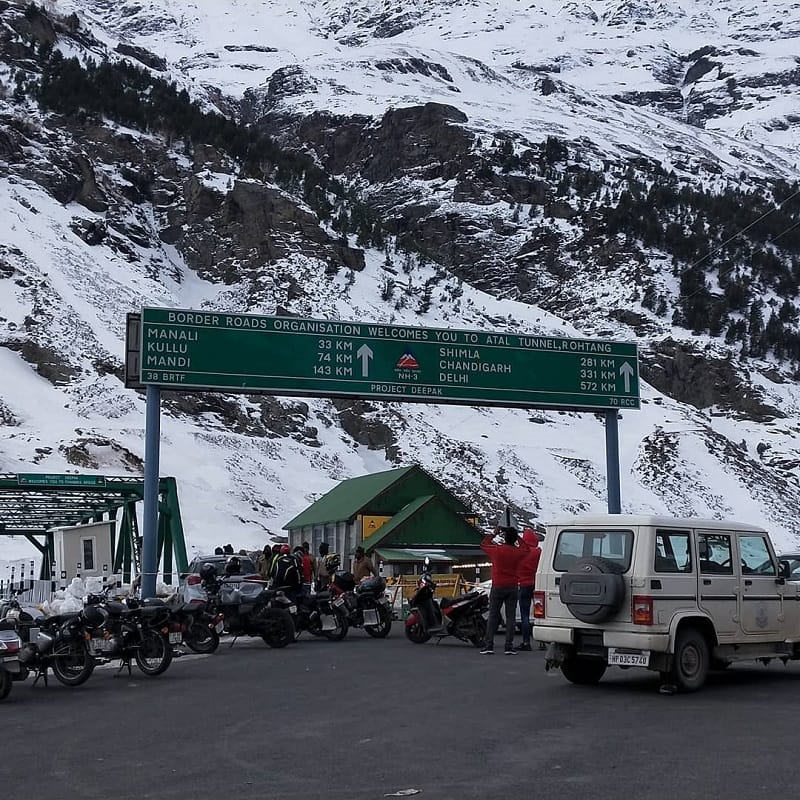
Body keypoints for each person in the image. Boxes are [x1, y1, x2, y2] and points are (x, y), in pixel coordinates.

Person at [480, 508, 531, 655]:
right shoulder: (518, 552)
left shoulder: (497, 550)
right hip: (513, 587)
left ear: (503, 538)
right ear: (513, 539)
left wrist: (495, 532)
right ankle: (509, 646)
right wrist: (517, 536)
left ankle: (489, 645)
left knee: (493, 616)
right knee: (510, 618)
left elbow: (483, 544)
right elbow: (527, 549)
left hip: (497, 586)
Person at [517, 527, 542, 651]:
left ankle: (526, 642)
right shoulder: (538, 552)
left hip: (523, 585)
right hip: (537, 585)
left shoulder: (520, 552)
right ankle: (542, 642)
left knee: (525, 615)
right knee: (539, 614)